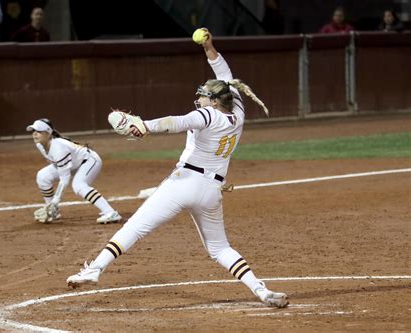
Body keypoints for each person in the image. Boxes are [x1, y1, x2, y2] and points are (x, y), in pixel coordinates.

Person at [66, 29, 289, 308]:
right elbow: (225, 73)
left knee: (135, 226)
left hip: (184, 182)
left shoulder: (209, 115)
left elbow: (176, 121)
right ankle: (261, 291)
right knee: (220, 248)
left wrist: (145, 126)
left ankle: (94, 269)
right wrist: (209, 48)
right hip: (211, 190)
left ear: (216, 102)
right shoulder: (238, 112)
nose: (201, 99)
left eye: (205, 96)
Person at [26, 118, 121, 224]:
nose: (35, 134)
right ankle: (52, 211)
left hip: (89, 161)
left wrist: (56, 200)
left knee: (78, 185)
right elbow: (57, 164)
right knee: (42, 176)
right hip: (73, 164)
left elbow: (64, 179)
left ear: (48, 133)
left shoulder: (58, 148)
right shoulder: (40, 145)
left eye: (39, 131)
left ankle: (110, 213)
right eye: (33, 131)